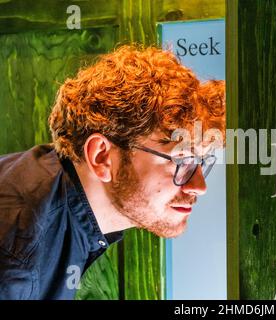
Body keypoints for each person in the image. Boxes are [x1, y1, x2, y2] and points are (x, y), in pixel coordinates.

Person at [0, 45, 225, 299]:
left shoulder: (54, 195)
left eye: (200, 161)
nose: (199, 185)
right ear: (101, 156)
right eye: (182, 160)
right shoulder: (17, 257)